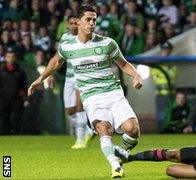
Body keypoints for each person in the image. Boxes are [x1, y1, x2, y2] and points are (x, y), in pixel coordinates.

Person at [28, 5, 143, 178]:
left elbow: (124, 64)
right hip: (91, 96)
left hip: (113, 93)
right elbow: (55, 62)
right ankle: (115, 165)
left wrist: (136, 75)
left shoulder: (107, 43)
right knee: (104, 128)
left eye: (94, 20)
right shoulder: (68, 46)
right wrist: (40, 79)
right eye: (88, 19)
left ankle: (121, 153)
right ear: (78, 22)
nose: (91, 23)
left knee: (132, 129)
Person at [60, 15, 94, 149]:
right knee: (70, 111)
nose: (74, 25)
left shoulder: (86, 37)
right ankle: (88, 131)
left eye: (76, 23)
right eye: (71, 23)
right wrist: (50, 74)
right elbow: (59, 57)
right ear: (68, 25)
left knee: (80, 107)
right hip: (68, 77)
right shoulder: (64, 38)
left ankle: (80, 140)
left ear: (79, 24)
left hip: (82, 76)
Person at [0, 47, 28, 135]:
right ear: (5, 58)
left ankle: (17, 136)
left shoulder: (20, 71)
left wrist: (26, 99)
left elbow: (24, 86)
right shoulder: (1, 71)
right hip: (3, 99)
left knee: (18, 119)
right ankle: (5, 136)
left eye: (12, 56)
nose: (10, 59)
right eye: (8, 56)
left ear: (15, 58)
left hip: (17, 99)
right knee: (4, 119)